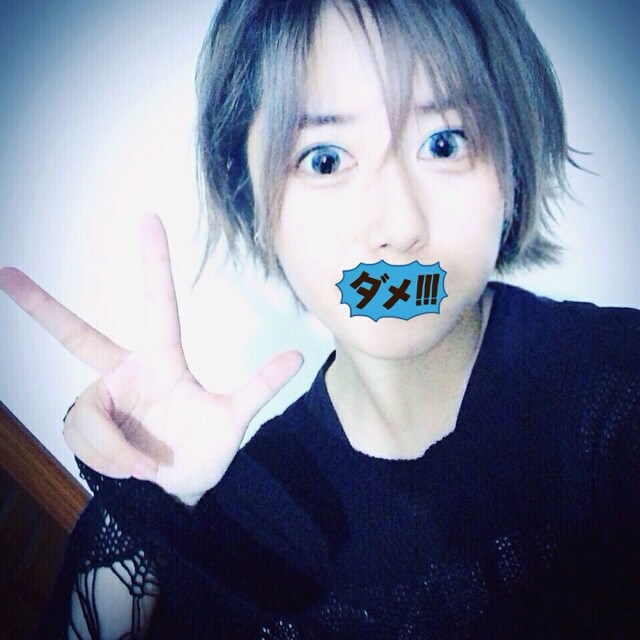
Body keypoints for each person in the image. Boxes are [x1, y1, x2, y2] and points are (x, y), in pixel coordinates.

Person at [0, 0, 638, 637]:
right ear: (251, 201)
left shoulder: (615, 382)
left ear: (512, 164)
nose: (399, 228)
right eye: (325, 160)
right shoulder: (243, 502)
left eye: (444, 143)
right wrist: (149, 499)